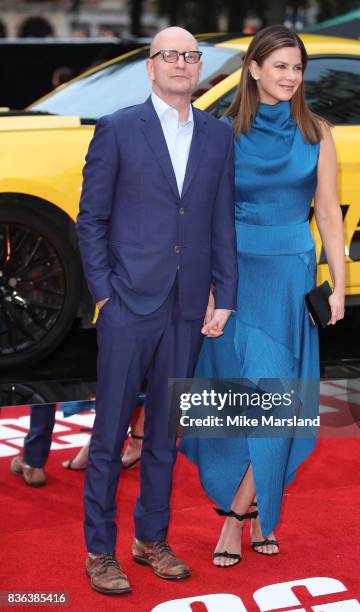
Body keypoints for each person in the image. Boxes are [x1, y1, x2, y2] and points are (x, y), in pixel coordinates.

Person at [76, 26, 237, 594]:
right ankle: (100, 550)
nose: (181, 63)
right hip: (128, 303)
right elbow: (90, 219)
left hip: (188, 306)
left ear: (199, 69)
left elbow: (220, 220)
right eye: (169, 55)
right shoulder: (118, 129)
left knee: (165, 434)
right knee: (110, 435)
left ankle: (150, 539)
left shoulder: (217, 136)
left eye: (191, 56)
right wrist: (102, 294)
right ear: (150, 66)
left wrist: (227, 292)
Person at [180, 25, 345, 567]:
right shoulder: (222, 134)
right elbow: (205, 219)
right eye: (280, 67)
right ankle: (257, 511)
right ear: (253, 69)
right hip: (234, 277)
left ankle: (238, 515)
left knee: (275, 399)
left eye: (298, 69)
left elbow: (326, 213)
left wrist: (340, 283)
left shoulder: (318, 132)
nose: (291, 78)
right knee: (235, 400)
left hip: (291, 276)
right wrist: (207, 288)